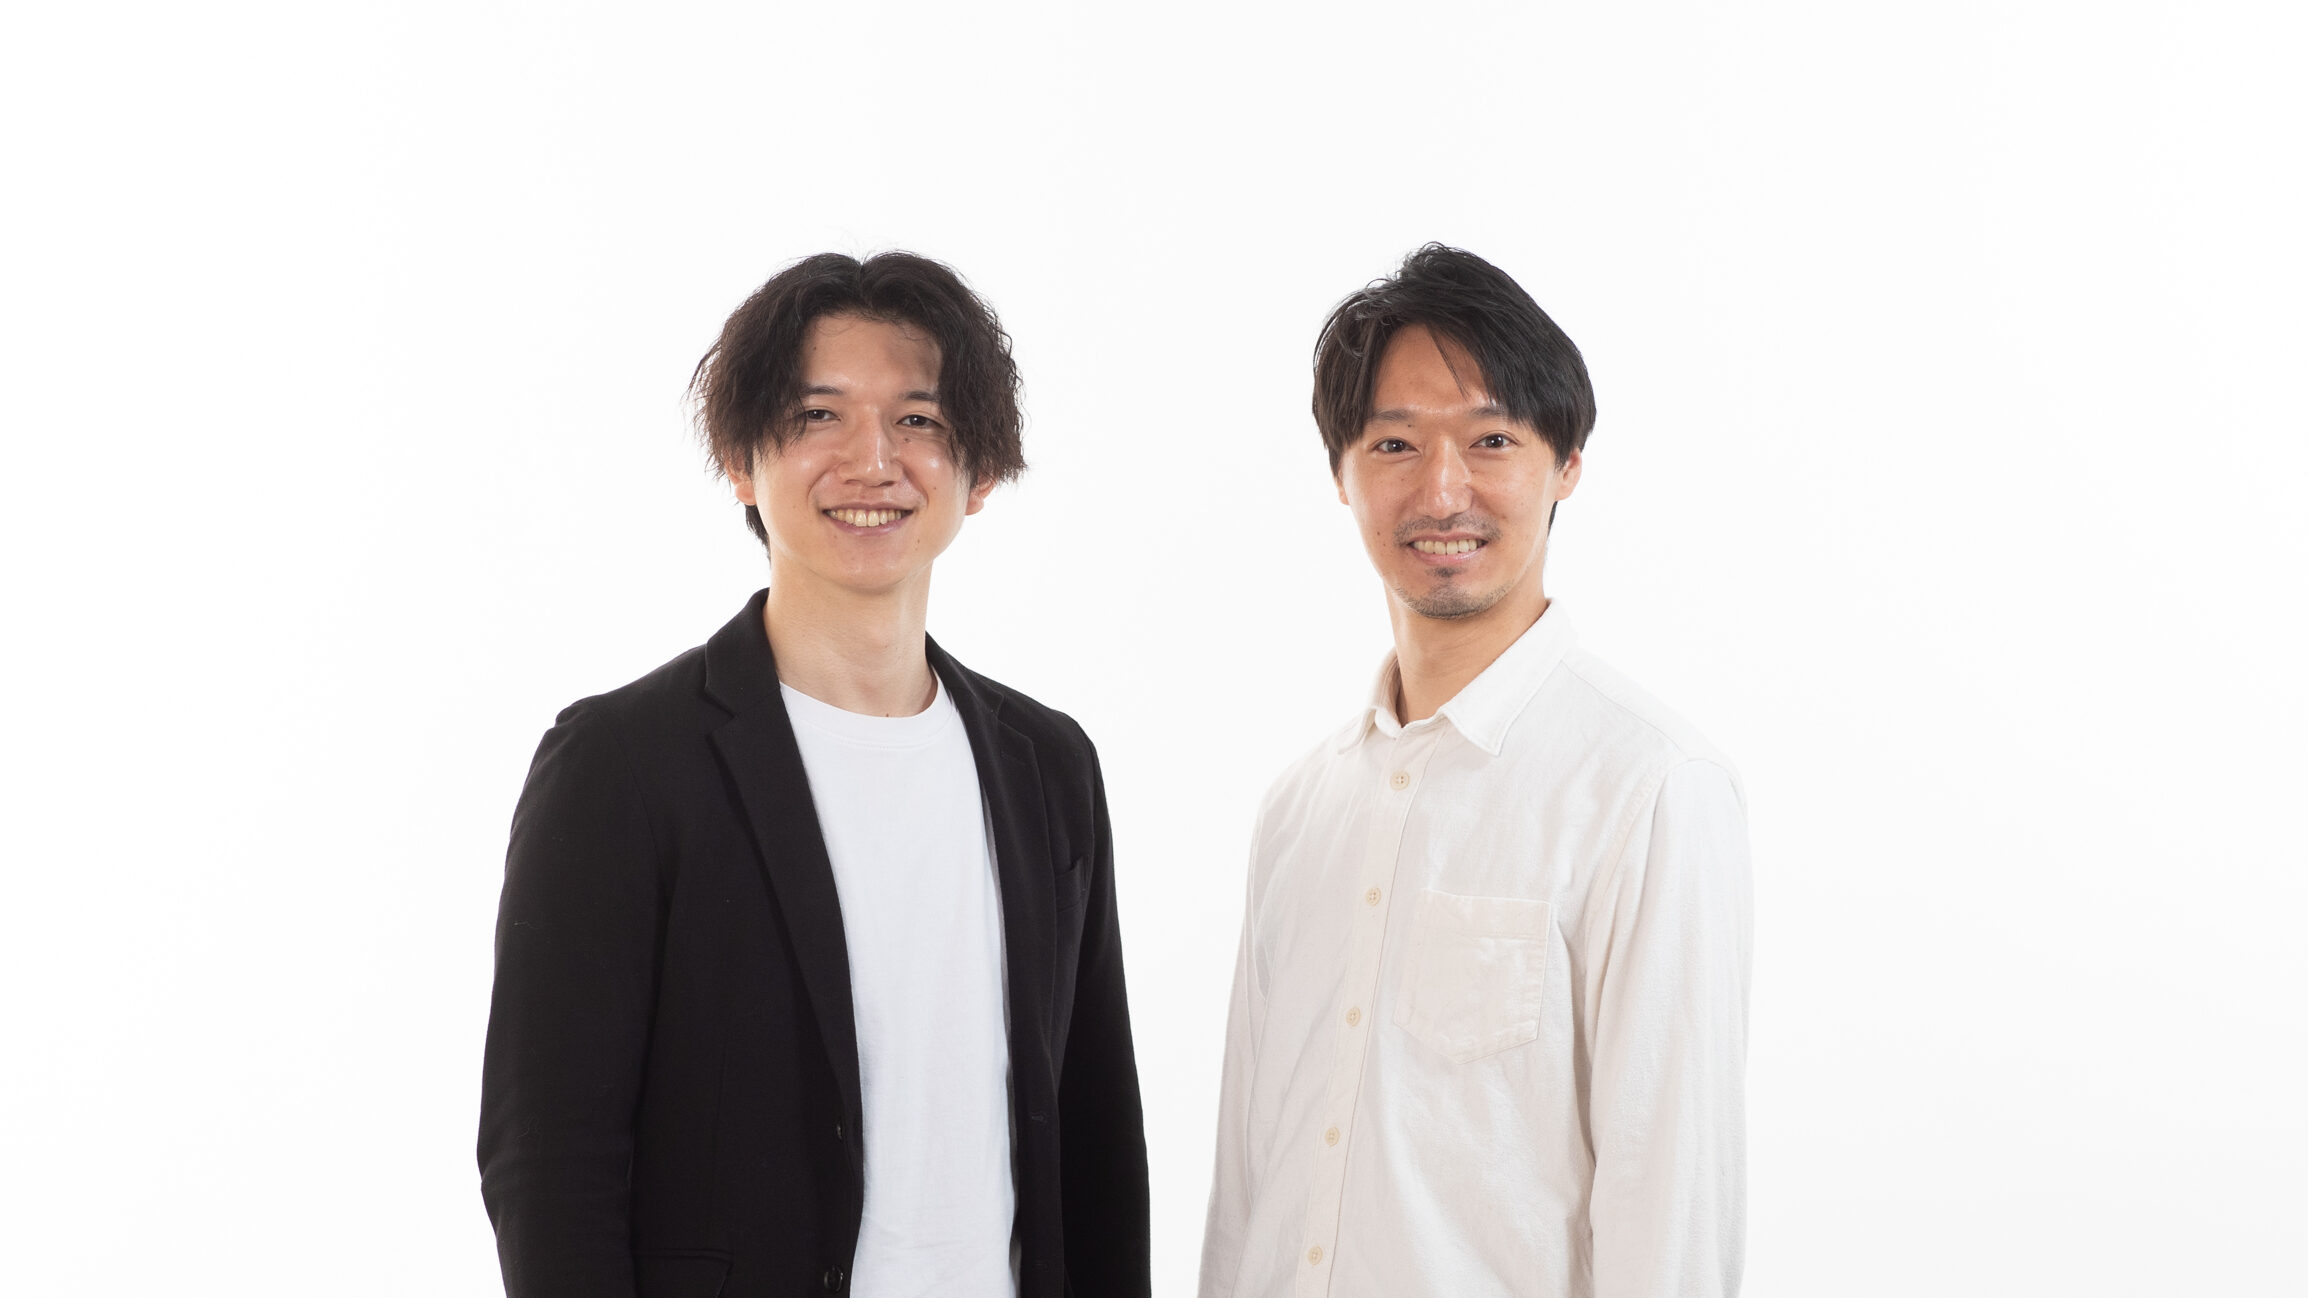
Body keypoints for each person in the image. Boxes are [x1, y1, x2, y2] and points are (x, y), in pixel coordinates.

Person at [479, 252, 1149, 1298]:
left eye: (918, 419)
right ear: (741, 462)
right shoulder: (621, 764)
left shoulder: (1048, 766)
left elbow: (1096, 1137)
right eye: (816, 416)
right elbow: (549, 1160)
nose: (871, 460)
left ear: (980, 473)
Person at [1198, 245, 1753, 1297]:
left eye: (1491, 439)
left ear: (1567, 462)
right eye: (1394, 443)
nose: (1441, 489)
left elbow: (1671, 1203)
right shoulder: (1301, 809)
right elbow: (1246, 1183)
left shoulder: (1649, 789)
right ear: (1341, 474)